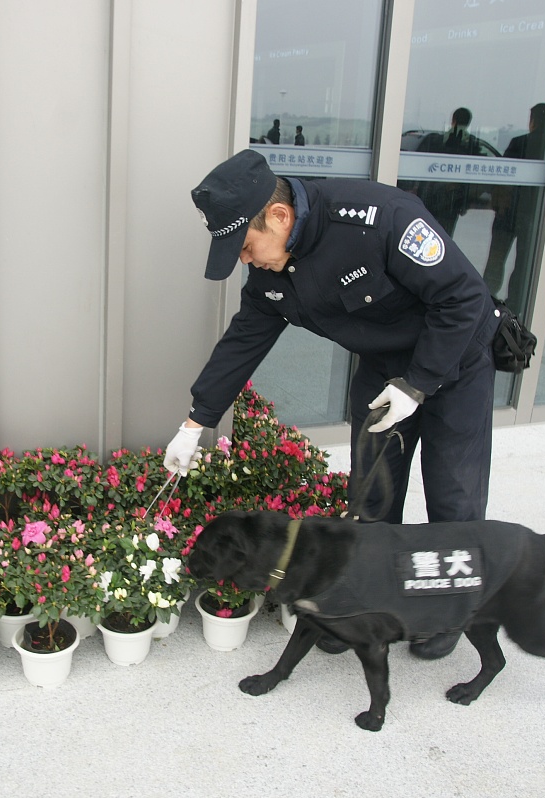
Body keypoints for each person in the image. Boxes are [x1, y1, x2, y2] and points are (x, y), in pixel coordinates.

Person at [165, 149, 499, 660]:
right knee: (371, 500)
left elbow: (463, 298)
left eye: (247, 246)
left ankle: (448, 609)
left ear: (279, 216)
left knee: (454, 498)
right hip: (382, 367)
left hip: (455, 363)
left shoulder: (381, 219)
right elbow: (243, 343)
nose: (246, 260)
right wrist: (195, 424)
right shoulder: (271, 274)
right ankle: (363, 606)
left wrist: (419, 383)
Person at [482, 103, 545, 317]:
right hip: (534, 216)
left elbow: (503, 178)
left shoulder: (521, 142)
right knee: (524, 264)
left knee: (496, 260)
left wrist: (498, 203)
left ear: (533, 121)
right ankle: (515, 308)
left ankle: (485, 302)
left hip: (508, 214)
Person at [413, 107, 482, 237]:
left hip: (430, 195)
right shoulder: (472, 144)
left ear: (453, 120)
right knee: (445, 238)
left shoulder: (435, 140)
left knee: (424, 233)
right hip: (453, 199)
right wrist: (465, 201)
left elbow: (421, 166)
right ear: (468, 123)